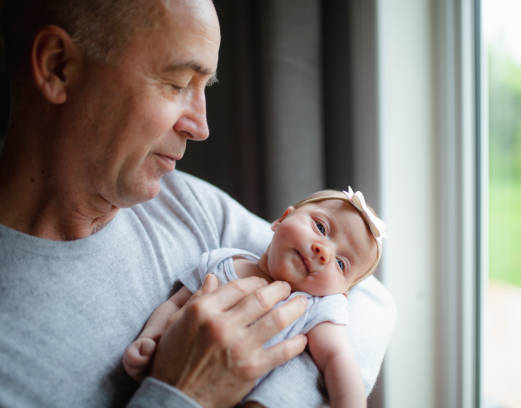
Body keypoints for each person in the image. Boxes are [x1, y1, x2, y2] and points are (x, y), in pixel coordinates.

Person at [0, 0, 396, 407]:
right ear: (58, 66)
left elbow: (371, 303)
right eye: (176, 83)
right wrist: (185, 395)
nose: (201, 127)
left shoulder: (185, 203)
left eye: (204, 87)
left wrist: (266, 396)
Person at [123, 188, 387, 407]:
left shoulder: (315, 307)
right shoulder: (223, 261)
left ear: (342, 293)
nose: (323, 252)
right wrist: (151, 336)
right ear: (282, 218)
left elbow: (338, 360)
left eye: (341, 264)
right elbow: (175, 303)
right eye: (320, 227)